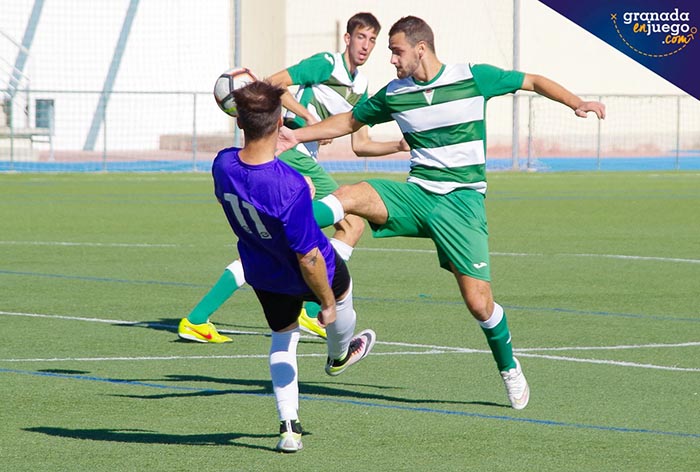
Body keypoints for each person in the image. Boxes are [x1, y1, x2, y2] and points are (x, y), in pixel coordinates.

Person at [278, 15, 606, 410]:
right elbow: (349, 121)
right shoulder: (395, 93)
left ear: (420, 48)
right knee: (352, 194)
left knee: (480, 304)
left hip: (462, 204)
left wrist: (577, 103)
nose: (392, 61)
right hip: (418, 196)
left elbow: (532, 81)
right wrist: (296, 134)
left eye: (396, 52)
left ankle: (509, 368)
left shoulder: (472, 77)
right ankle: (283, 228)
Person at [178, 12, 407, 343]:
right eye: (361, 37)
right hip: (289, 154)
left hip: (302, 158)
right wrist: (307, 119)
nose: (366, 46)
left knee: (273, 241)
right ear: (347, 38)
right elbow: (272, 85)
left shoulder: (361, 85)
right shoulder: (326, 65)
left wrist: (398, 145)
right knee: (352, 222)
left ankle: (198, 318)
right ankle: (313, 311)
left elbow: (361, 143)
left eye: (372, 40)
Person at [212, 80, 376, 452]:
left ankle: (289, 428)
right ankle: (339, 354)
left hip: (262, 272)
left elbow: (240, 189)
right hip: (310, 270)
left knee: (283, 338)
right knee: (343, 298)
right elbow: (309, 256)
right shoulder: (290, 186)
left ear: (240, 123)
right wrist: (326, 303)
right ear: (280, 121)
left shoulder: (221, 164)